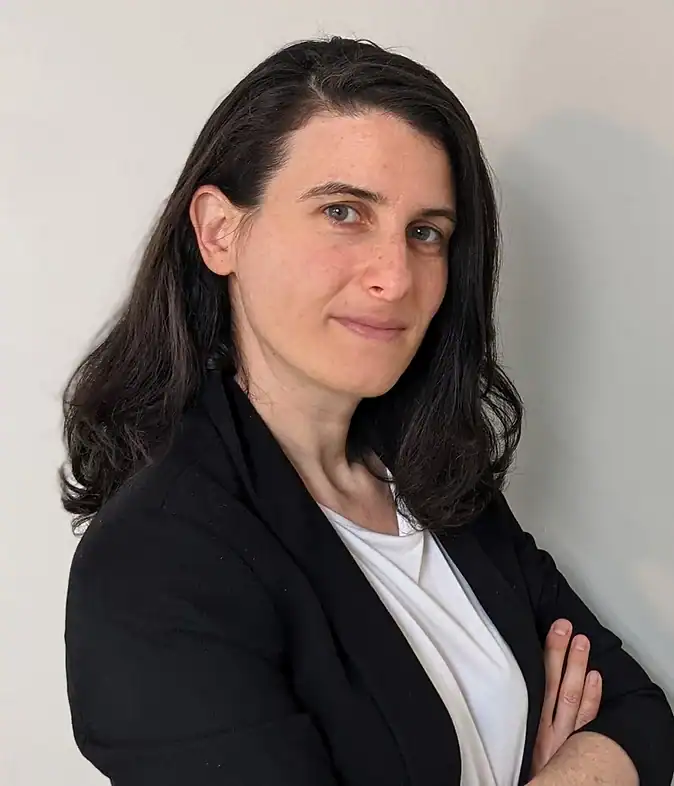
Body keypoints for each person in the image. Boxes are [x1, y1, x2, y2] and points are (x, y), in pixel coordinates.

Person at [60, 36, 674, 786]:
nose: (396, 276)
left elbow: (637, 714)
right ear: (220, 231)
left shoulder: (435, 484)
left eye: (426, 232)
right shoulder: (156, 562)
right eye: (343, 212)